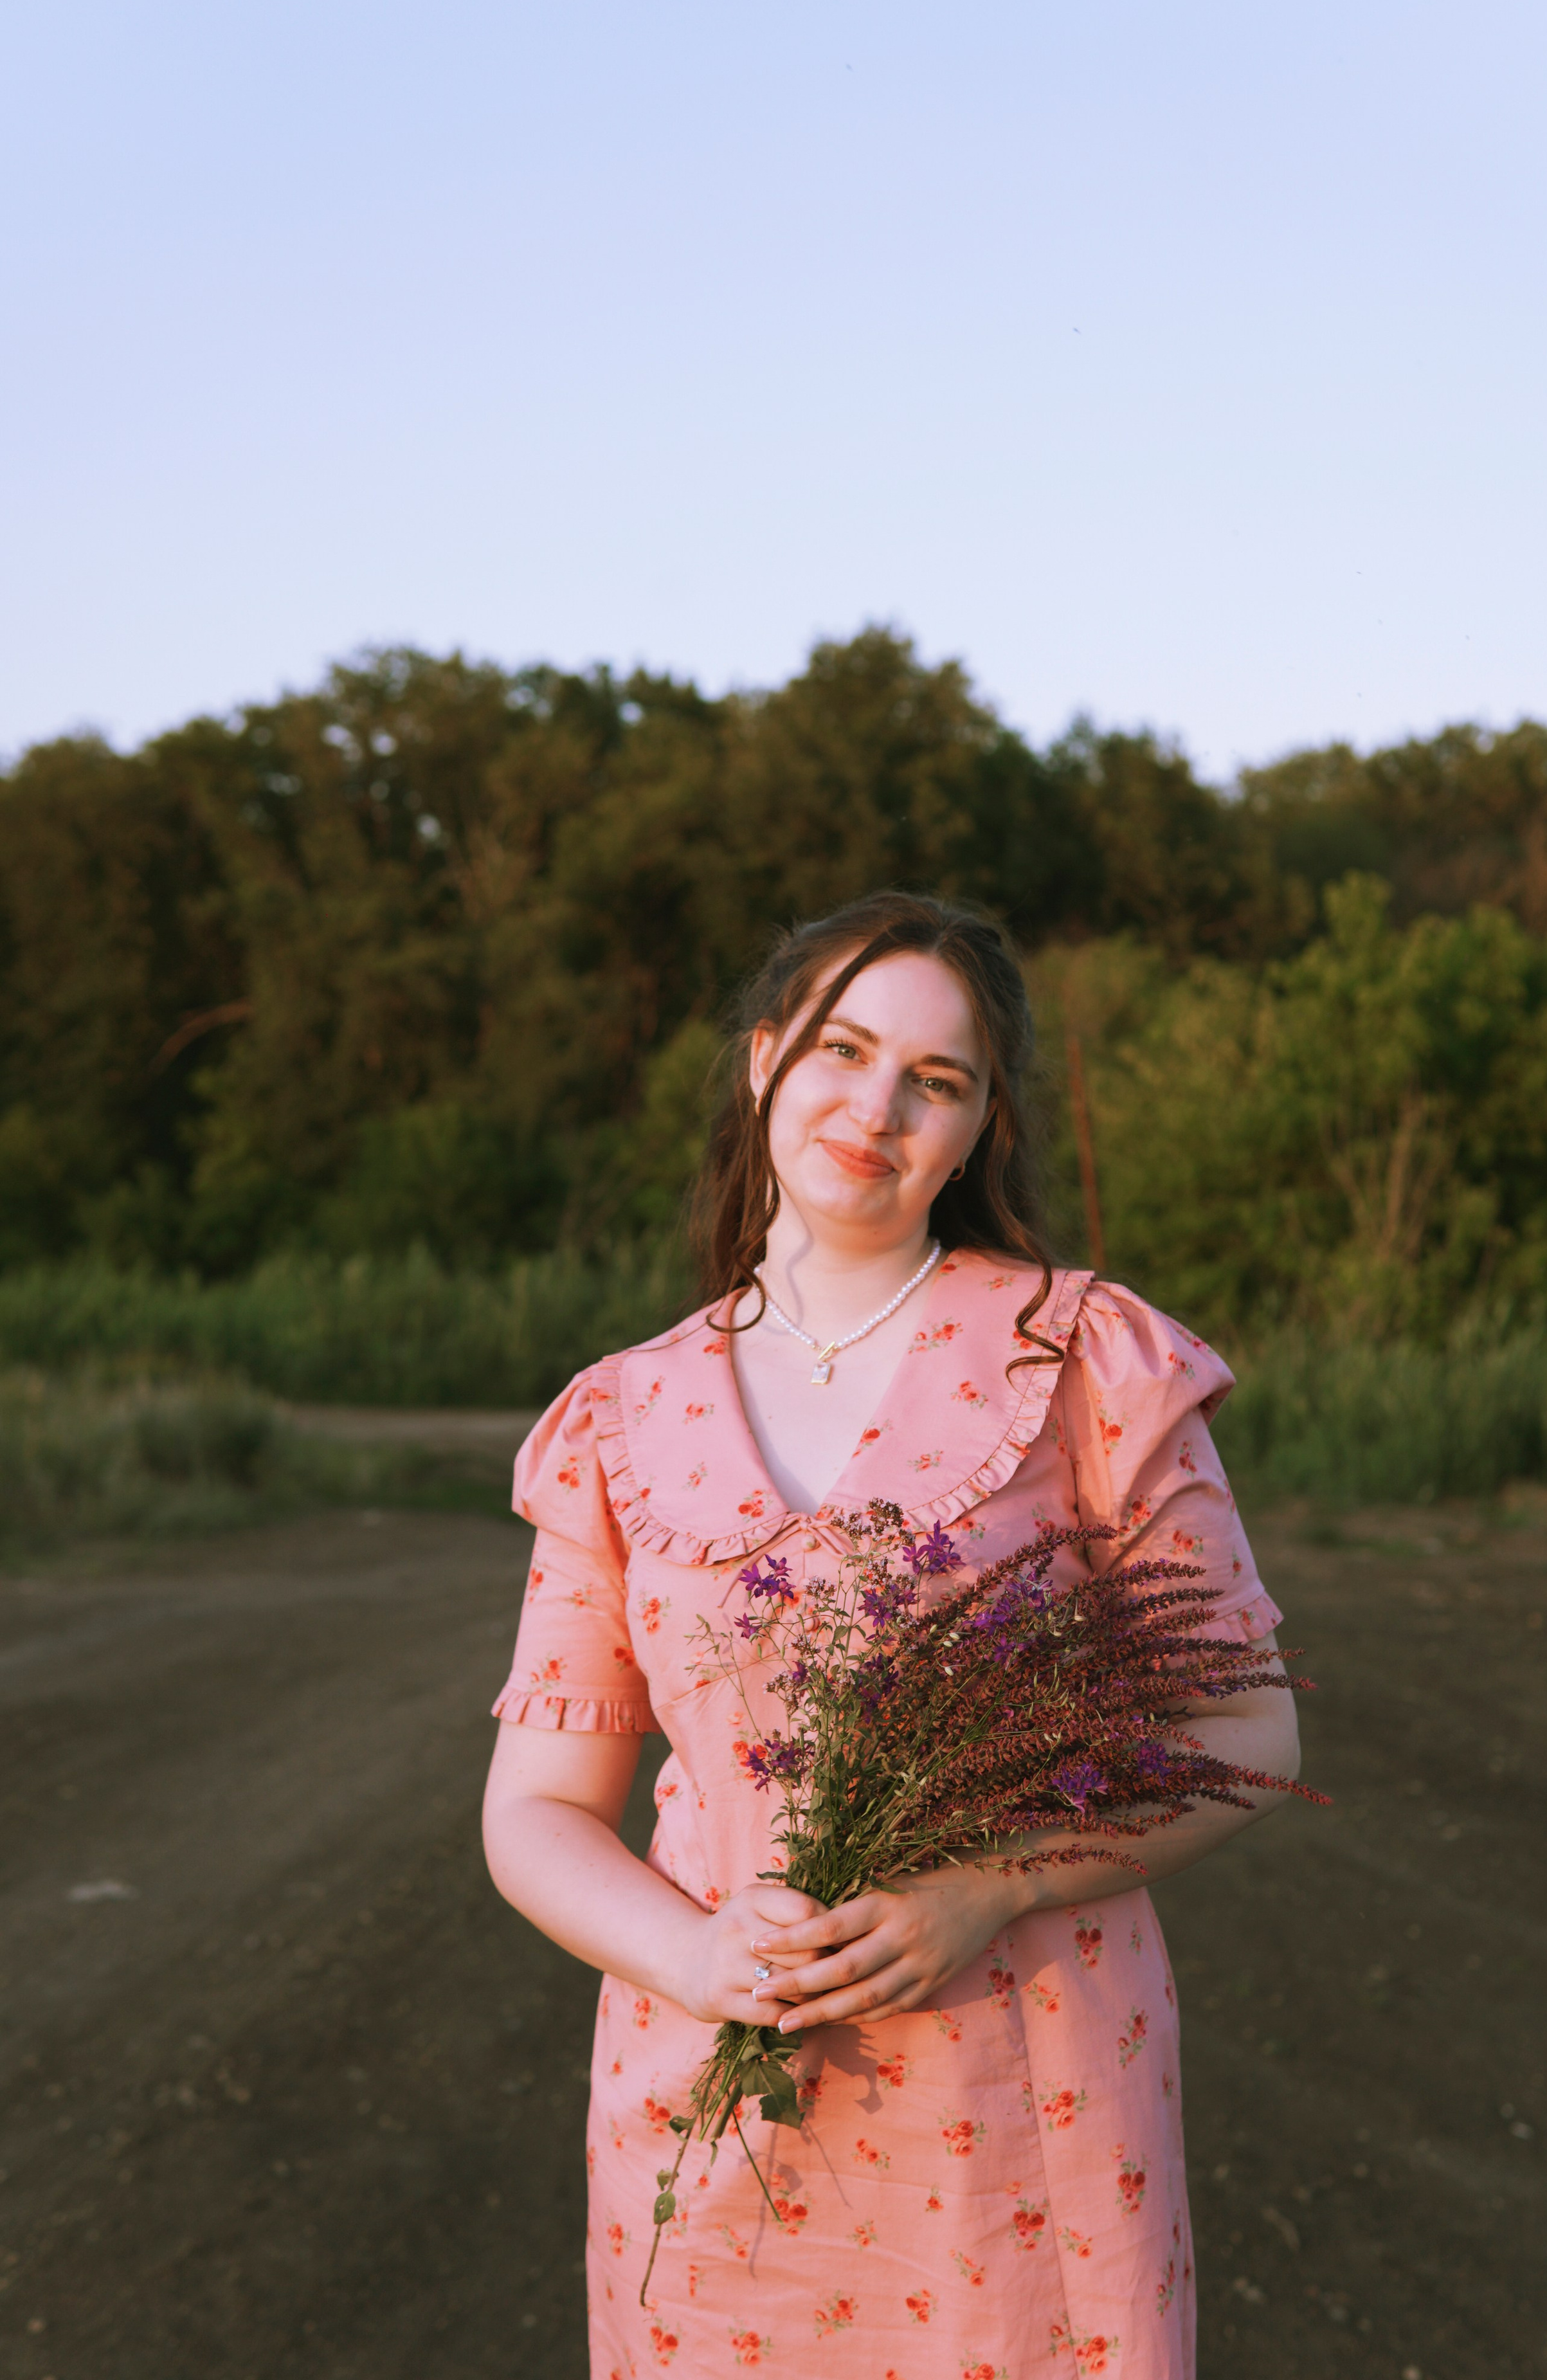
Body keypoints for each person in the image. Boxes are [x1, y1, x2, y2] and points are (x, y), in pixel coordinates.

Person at [482, 892, 1300, 2380]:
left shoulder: (1084, 1356)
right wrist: (700, 1955)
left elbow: (1249, 1732)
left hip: (1024, 2102)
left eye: (935, 1078)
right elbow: (535, 1809)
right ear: (760, 1064)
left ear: (983, 1124)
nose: (875, 1107)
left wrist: (985, 1889)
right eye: (840, 1049)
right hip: (712, 2105)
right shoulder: (618, 1414)